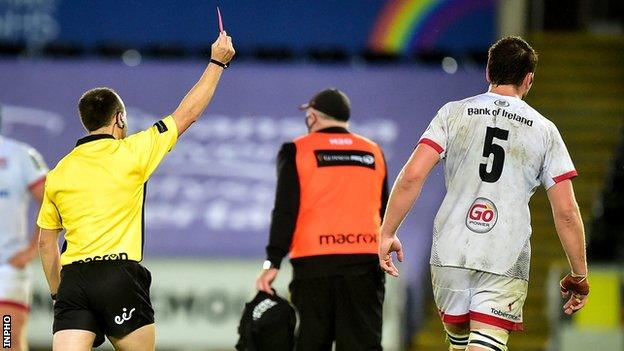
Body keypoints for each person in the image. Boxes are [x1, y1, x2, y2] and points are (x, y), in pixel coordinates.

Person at [378, 36, 589, 351]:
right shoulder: (545, 131)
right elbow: (567, 213)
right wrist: (579, 274)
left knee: (460, 344)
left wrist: (387, 231)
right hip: (504, 251)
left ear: (488, 72)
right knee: (485, 344)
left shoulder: (453, 114)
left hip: (451, 249)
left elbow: (412, 176)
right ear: (528, 80)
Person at [36, 32, 235, 351]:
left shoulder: (59, 171)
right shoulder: (132, 151)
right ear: (119, 119)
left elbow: (47, 243)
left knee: (10, 336)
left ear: (86, 123)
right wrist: (216, 63)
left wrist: (60, 294)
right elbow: (188, 113)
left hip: (73, 279)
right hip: (118, 276)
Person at [255, 88, 389, 350]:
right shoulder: (374, 151)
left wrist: (273, 260)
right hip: (364, 262)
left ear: (313, 117)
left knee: (312, 343)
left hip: (314, 264)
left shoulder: (296, 150)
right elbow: (385, 210)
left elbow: (285, 209)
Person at [0, 109, 48, 351]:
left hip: (6, 270)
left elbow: (51, 200)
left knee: (6, 340)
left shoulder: (19, 155)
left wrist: (33, 249)